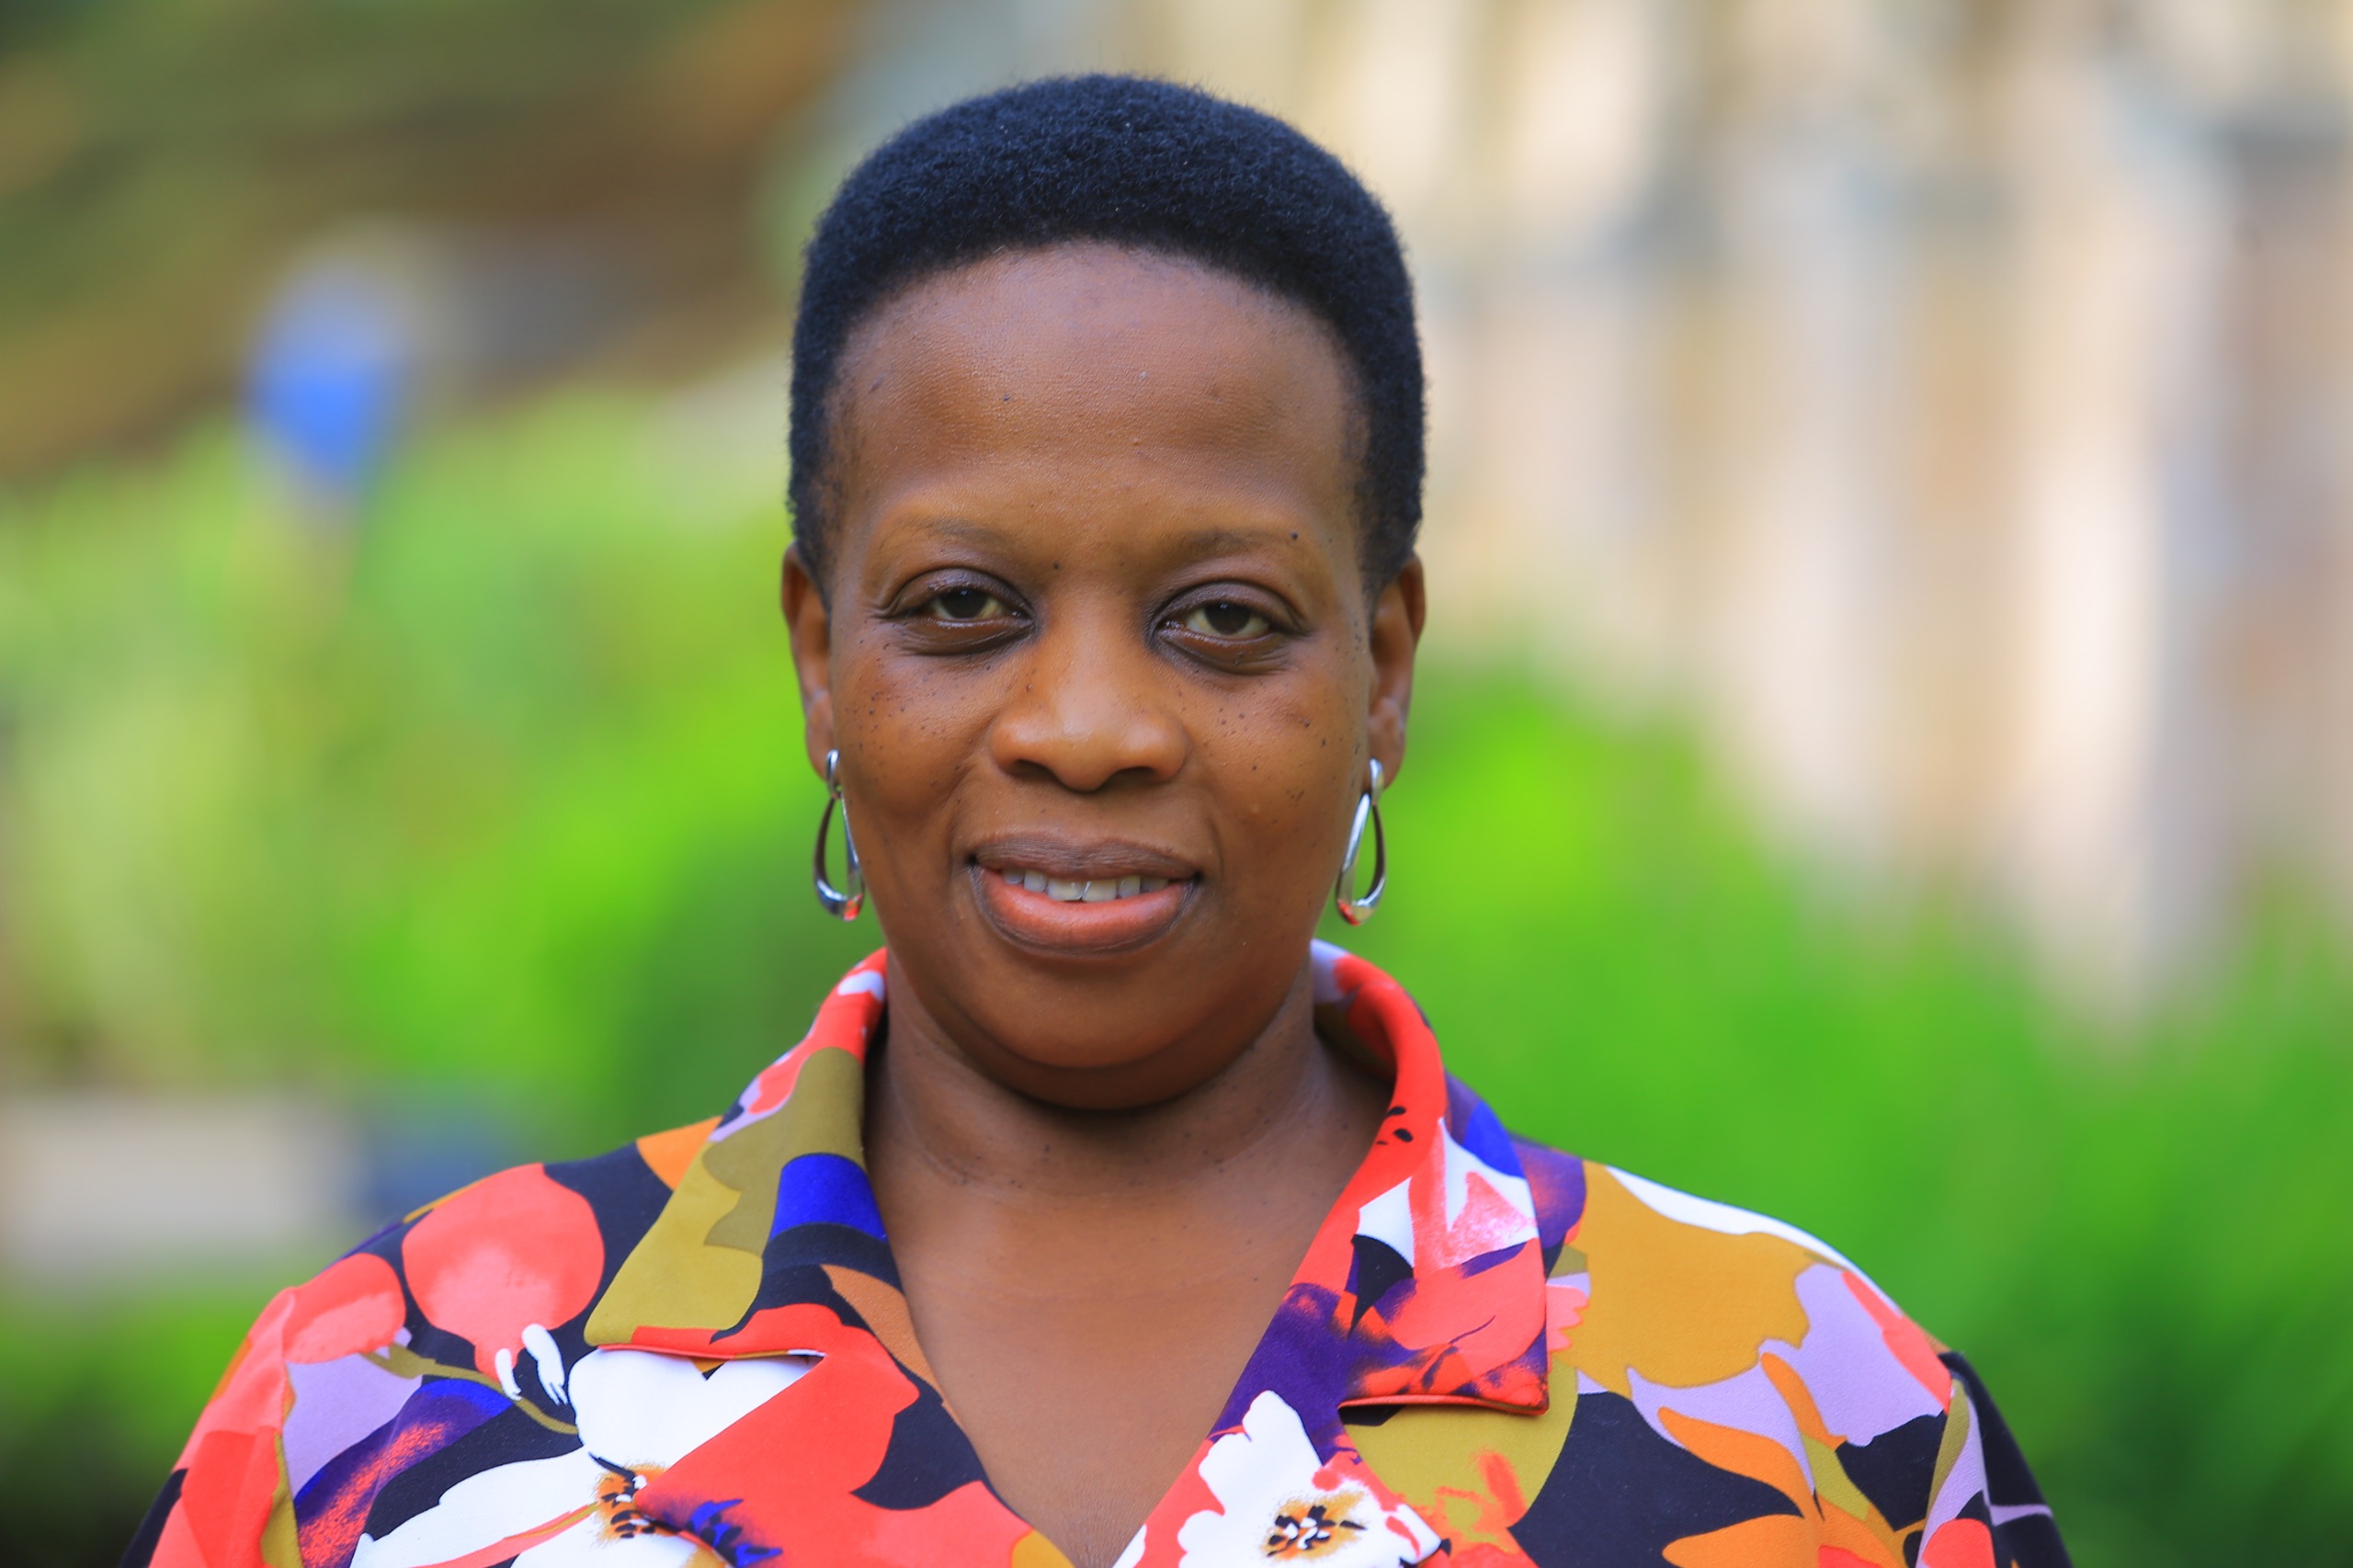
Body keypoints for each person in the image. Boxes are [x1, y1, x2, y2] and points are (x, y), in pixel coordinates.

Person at [127, 75, 2068, 1568]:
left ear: (1384, 668)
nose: (1087, 728)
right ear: (818, 657)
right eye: (962, 607)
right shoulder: (378, 1406)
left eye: (1221, 620)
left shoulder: (1816, 1419)